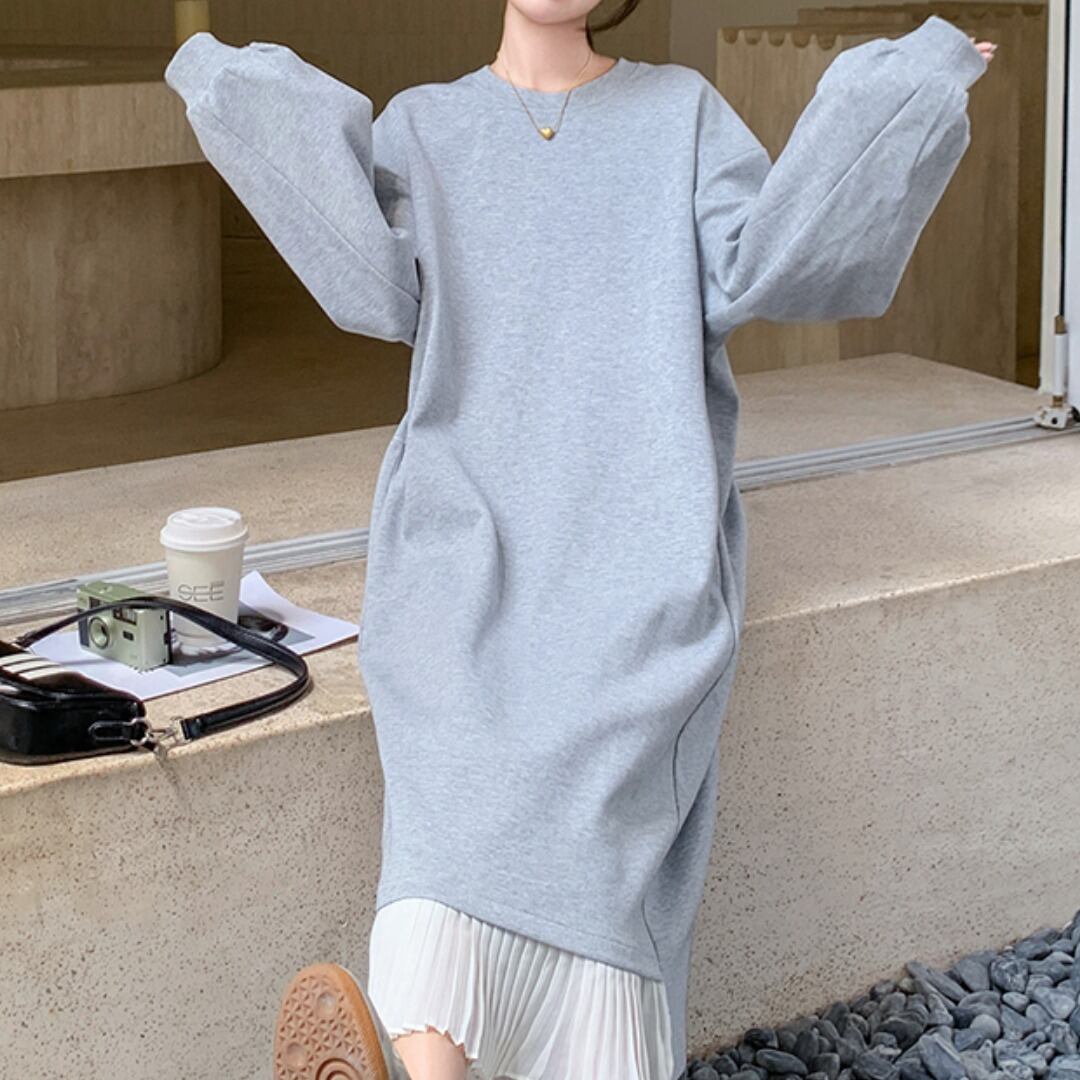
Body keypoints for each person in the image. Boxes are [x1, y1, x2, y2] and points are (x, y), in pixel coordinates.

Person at [163, 3, 995, 1078]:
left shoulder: (682, 114)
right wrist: (224, 81)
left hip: (637, 544)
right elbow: (362, 275)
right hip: (464, 547)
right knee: (453, 793)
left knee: (605, 799)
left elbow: (782, 260)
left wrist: (908, 89)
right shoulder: (425, 127)